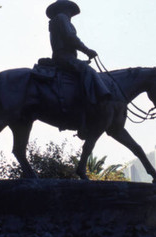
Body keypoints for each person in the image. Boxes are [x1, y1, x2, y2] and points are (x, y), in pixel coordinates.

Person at [45, 0, 112, 137]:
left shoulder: (58, 20)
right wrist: (87, 51)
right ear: (65, 9)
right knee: (89, 71)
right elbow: (71, 38)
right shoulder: (62, 18)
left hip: (65, 57)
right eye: (70, 11)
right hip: (64, 57)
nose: (71, 14)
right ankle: (99, 99)